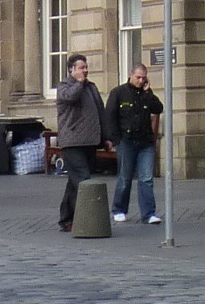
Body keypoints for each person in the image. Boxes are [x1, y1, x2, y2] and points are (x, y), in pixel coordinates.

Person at [53, 54, 108, 231]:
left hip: (90, 141)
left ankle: (66, 219)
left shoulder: (91, 87)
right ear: (72, 70)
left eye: (86, 67)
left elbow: (101, 112)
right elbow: (71, 97)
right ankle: (87, 220)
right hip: (72, 141)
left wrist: (106, 138)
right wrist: (79, 83)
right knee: (84, 180)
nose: (85, 70)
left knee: (74, 182)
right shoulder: (64, 87)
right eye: (81, 68)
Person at [105, 63, 164, 224]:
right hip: (126, 141)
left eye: (144, 78)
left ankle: (148, 213)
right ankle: (119, 209)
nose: (140, 80)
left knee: (146, 178)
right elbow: (110, 116)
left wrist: (149, 93)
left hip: (145, 142)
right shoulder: (119, 93)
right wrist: (114, 139)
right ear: (131, 75)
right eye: (138, 77)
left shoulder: (146, 94)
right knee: (125, 177)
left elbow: (158, 108)